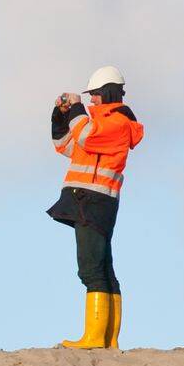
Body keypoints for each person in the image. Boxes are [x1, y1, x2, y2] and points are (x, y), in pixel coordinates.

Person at [47, 65, 144, 350]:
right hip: (89, 200)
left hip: (93, 200)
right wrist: (61, 115)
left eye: (95, 95)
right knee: (103, 269)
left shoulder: (116, 123)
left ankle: (95, 338)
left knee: (91, 270)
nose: (91, 100)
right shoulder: (99, 124)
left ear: (108, 93)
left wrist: (77, 108)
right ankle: (108, 339)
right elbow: (66, 145)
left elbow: (85, 136)